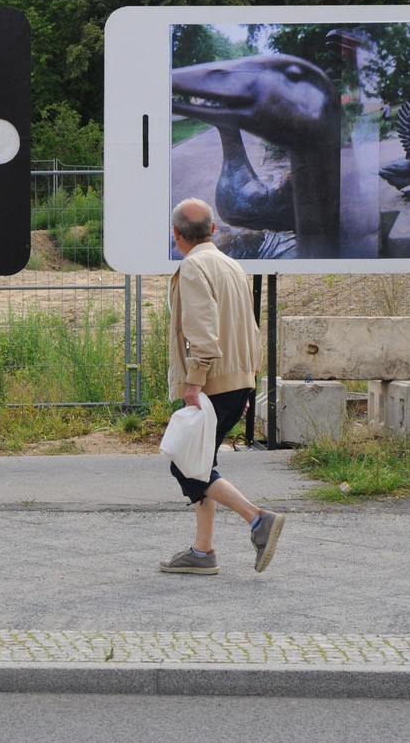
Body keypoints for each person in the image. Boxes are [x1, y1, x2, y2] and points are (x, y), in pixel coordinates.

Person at [160, 197, 284, 576]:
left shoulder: (193, 267)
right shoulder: (232, 265)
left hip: (212, 382)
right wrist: (247, 382)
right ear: (213, 229)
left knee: (187, 466)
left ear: (176, 234)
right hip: (238, 379)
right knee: (202, 461)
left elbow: (204, 334)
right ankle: (203, 551)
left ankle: (258, 519)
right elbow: (251, 330)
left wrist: (194, 383)